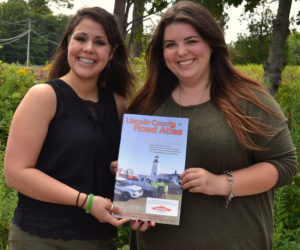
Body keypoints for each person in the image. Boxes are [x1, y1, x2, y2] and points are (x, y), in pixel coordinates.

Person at [127, 1, 297, 249]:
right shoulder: (148, 103)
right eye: (170, 45)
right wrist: (128, 184)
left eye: (191, 41)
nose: (181, 52)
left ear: (211, 44)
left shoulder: (249, 100)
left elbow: (285, 165)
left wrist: (220, 183)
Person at [4, 6, 134, 250]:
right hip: (42, 238)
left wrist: (118, 170)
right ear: (68, 44)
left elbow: (105, 164)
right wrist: (85, 201)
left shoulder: (117, 104)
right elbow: (16, 173)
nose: (88, 48)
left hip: (99, 239)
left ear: (112, 52)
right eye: (81, 38)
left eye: (100, 42)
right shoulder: (44, 96)